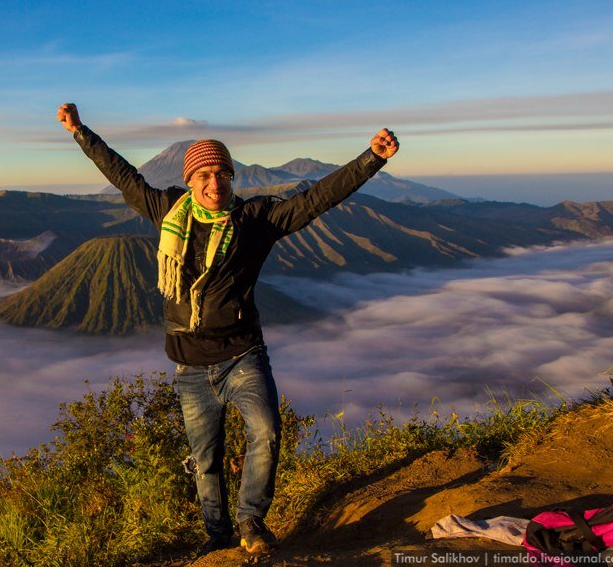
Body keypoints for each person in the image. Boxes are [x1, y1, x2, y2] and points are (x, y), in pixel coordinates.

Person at [57, 102, 399, 555]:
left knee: (267, 431)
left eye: (223, 175)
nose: (215, 184)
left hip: (242, 354)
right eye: (204, 176)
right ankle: (217, 538)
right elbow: (123, 176)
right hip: (190, 368)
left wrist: (371, 159)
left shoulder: (254, 220)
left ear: (232, 179)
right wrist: (80, 132)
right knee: (206, 461)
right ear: (190, 181)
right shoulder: (166, 211)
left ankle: (250, 521)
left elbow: (316, 199)